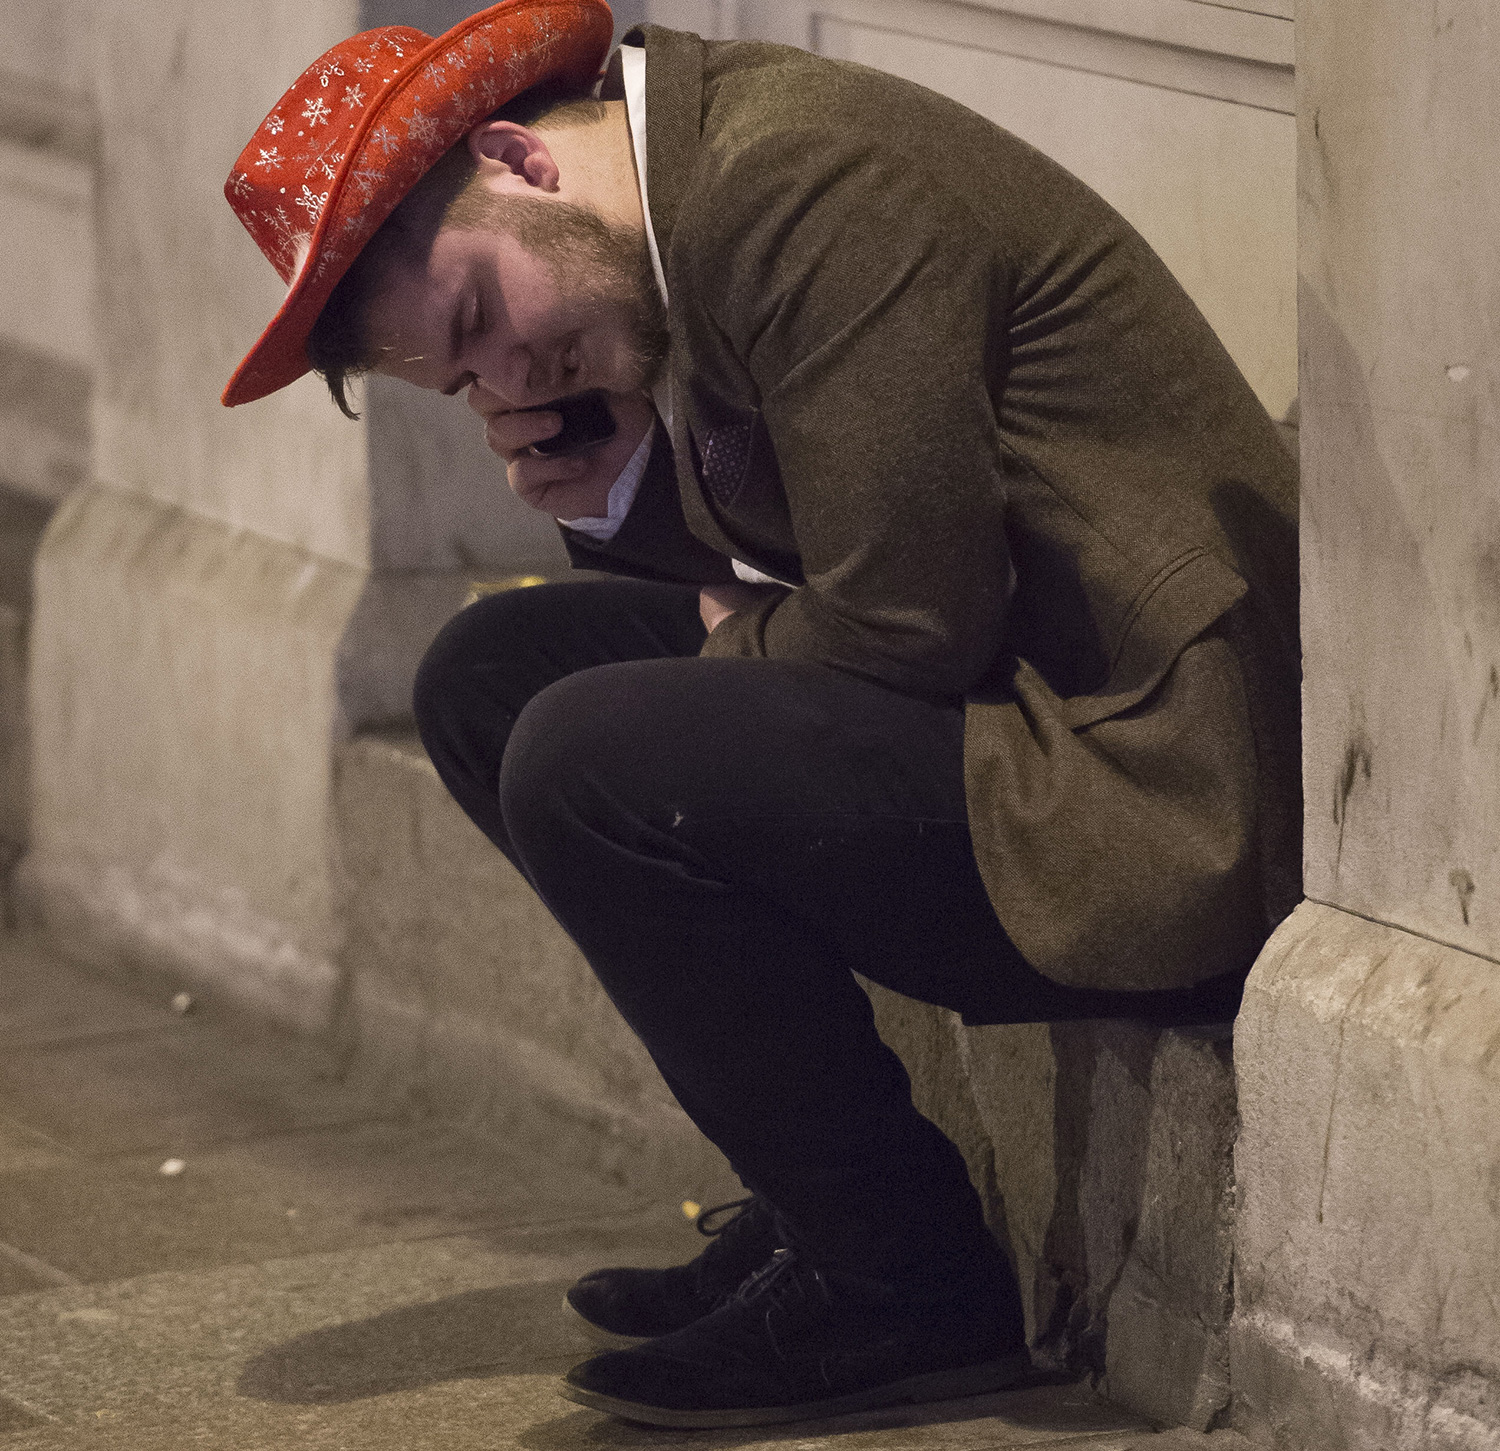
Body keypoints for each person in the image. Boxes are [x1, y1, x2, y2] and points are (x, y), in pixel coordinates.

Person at [221, 0, 1300, 1430]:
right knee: (491, 688)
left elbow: (904, 622)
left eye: (485, 322)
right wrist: (617, 496)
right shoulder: (674, 217)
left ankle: (902, 1285)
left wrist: (723, 631)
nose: (511, 387)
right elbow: (813, 568)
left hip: (1152, 784)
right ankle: (827, 1205)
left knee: (590, 755)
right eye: (463, 380)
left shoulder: (799, 189)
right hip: (1022, 696)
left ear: (516, 161)